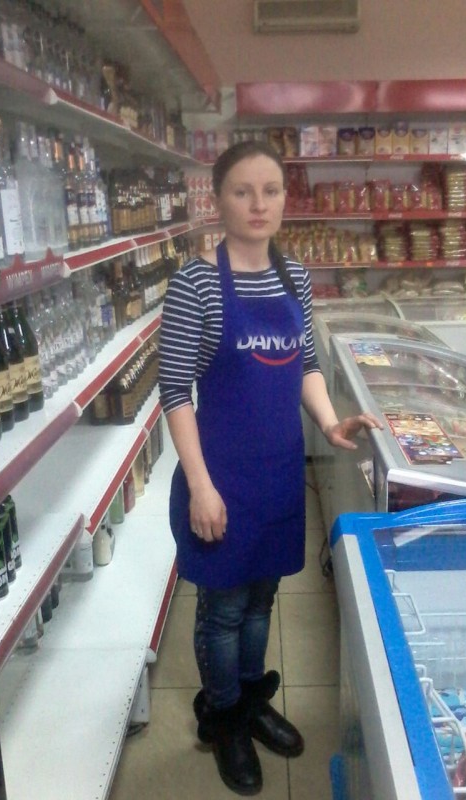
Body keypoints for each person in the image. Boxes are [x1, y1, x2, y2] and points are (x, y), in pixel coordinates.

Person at [158, 140, 382, 795]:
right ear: (218, 200)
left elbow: (305, 363)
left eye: (271, 190)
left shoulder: (294, 278)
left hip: (279, 475)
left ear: (285, 199)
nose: (258, 204)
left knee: (262, 598)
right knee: (223, 608)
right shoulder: (196, 284)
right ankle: (225, 716)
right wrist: (200, 486)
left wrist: (329, 421)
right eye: (242, 191)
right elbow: (175, 391)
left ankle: (252, 698)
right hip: (221, 478)